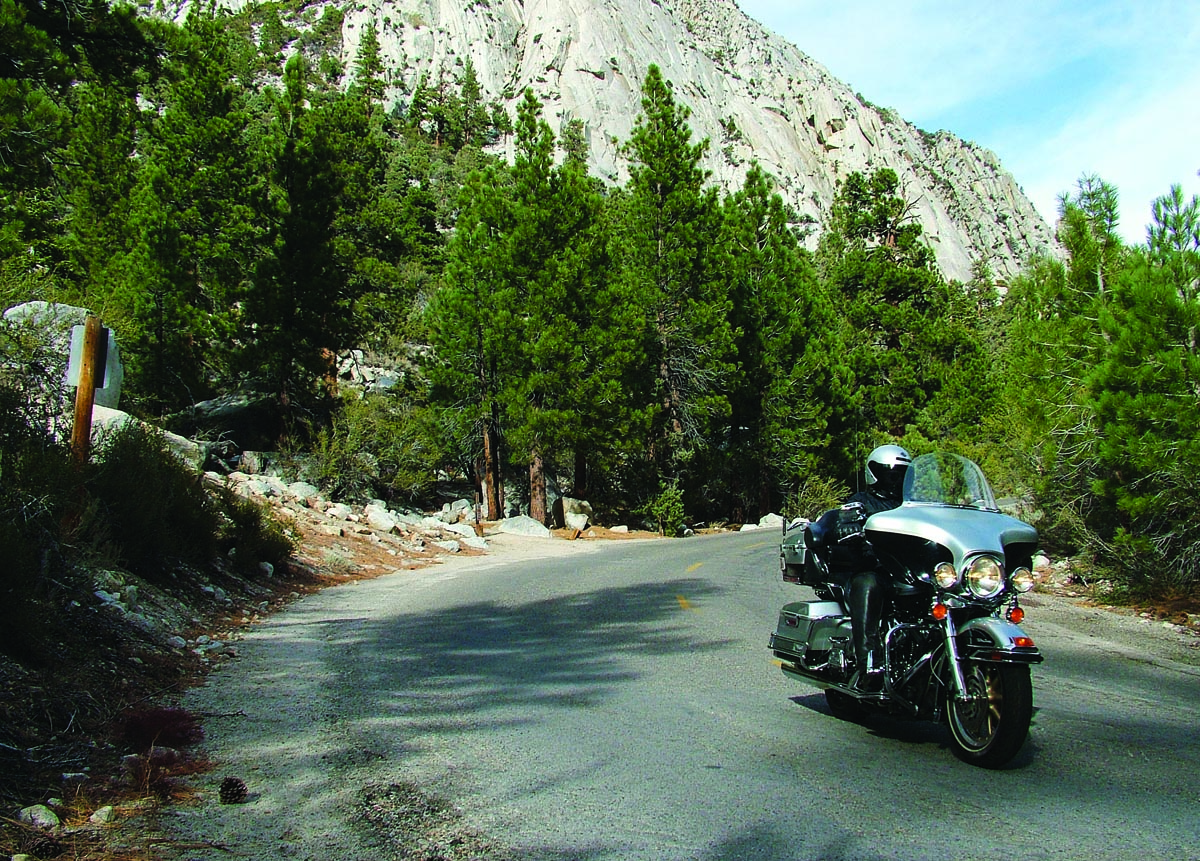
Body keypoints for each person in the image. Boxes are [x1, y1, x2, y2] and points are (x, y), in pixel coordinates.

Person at [807, 444, 912, 690]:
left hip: (909, 573)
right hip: (871, 569)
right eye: (893, 472)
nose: (897, 479)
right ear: (875, 473)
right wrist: (848, 526)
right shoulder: (862, 502)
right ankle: (869, 664)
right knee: (869, 584)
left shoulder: (913, 506)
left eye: (903, 473)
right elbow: (842, 518)